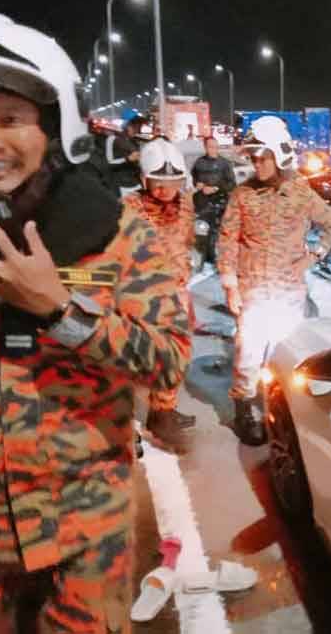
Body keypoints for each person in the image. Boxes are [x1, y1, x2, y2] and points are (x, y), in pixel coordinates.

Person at [0, 13, 191, 633]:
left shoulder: (114, 232)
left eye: (10, 119)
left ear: (56, 129)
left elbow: (168, 358)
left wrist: (60, 312)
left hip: (85, 524)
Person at [217, 116, 331, 445]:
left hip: (288, 291)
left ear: (280, 155)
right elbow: (227, 240)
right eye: (253, 158)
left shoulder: (301, 193)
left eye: (263, 157)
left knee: (284, 349)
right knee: (248, 353)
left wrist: (313, 256)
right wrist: (230, 285)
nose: (256, 164)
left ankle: (279, 401)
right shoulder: (242, 195)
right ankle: (245, 409)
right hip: (253, 290)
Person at [122, 138, 198, 447]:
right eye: (158, 182)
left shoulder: (186, 205)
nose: (166, 189)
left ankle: (162, 412)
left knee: (175, 356)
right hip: (141, 296)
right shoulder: (129, 208)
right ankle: (124, 424)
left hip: (176, 292)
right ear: (144, 179)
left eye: (173, 182)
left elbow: (187, 240)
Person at [190, 136, 236, 270]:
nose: (213, 149)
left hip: (219, 202)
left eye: (215, 147)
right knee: (202, 231)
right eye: (210, 147)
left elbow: (232, 184)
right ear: (205, 147)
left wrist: (216, 188)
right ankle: (203, 259)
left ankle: (217, 260)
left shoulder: (225, 163)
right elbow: (194, 178)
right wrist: (198, 185)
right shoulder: (199, 162)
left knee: (217, 232)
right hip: (202, 203)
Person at [106, 108, 147, 194]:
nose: (137, 129)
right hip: (121, 187)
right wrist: (128, 159)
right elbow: (107, 165)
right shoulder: (112, 139)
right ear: (125, 125)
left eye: (138, 125)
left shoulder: (135, 141)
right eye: (133, 125)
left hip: (137, 185)